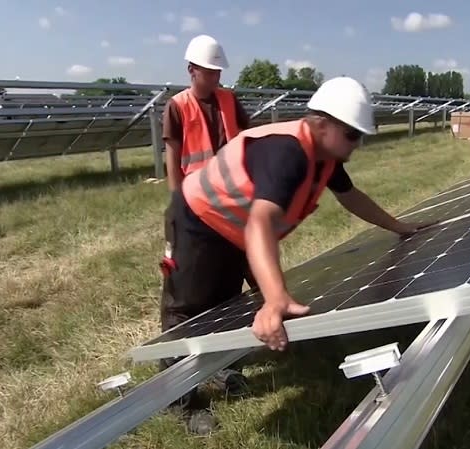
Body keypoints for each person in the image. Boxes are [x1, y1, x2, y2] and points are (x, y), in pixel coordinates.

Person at [162, 76, 436, 432]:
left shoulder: (324, 155)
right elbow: (260, 223)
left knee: (226, 303)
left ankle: (223, 370)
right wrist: (275, 300)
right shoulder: (289, 153)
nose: (358, 142)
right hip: (198, 222)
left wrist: (398, 226)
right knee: (190, 309)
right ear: (321, 125)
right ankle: (179, 401)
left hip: (233, 229)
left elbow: (350, 196)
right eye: (352, 134)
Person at [157, 34, 252, 433]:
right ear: (191, 70)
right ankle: (180, 398)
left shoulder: (232, 103)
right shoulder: (177, 107)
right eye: (207, 71)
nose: (214, 78)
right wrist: (180, 213)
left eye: (218, 72)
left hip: (230, 211)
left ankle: (221, 367)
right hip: (193, 214)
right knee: (184, 302)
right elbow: (174, 162)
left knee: (227, 295)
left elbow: (247, 145)